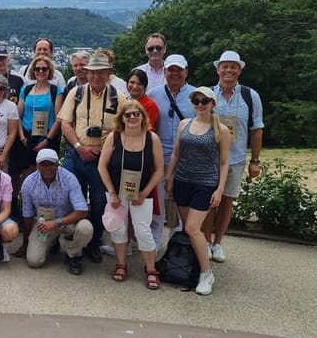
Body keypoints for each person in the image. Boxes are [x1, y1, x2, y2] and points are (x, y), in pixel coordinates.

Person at [58, 52, 126, 263]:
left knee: (98, 202)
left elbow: (123, 129)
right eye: (92, 73)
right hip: (76, 153)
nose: (96, 77)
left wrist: (105, 148)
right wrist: (79, 147)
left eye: (101, 73)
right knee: (71, 200)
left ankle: (94, 242)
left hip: (101, 159)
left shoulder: (119, 97)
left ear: (108, 74)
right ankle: (72, 242)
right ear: (87, 74)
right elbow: (65, 124)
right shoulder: (76, 93)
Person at [165, 87, 231, 296]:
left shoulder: (221, 130)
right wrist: (169, 176)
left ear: (213, 103)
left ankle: (206, 273)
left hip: (205, 183)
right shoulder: (184, 124)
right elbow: (177, 152)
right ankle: (190, 266)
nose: (200, 105)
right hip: (183, 180)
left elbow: (223, 162)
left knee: (194, 228)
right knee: (188, 228)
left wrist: (220, 189)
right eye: (196, 101)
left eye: (205, 101)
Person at [98, 101, 165, 288]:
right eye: (128, 115)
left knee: (143, 229)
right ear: (122, 118)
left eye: (136, 114)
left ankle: (151, 269)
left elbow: (159, 170)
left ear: (143, 117)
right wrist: (111, 192)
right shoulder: (114, 137)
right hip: (116, 192)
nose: (132, 118)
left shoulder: (152, 139)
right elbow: (102, 166)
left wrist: (144, 193)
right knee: (118, 228)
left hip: (142, 193)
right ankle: (121, 264)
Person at [205, 50, 264, 262]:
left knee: (227, 201)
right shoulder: (209, 94)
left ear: (239, 70)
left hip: (237, 158)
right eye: (225, 66)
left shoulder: (250, 95)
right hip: (211, 159)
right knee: (209, 202)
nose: (228, 70)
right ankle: (205, 242)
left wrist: (255, 161)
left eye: (233, 66)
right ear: (218, 69)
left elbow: (257, 128)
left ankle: (218, 243)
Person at [19, 149, 94, 275]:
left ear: (57, 165)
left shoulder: (69, 178)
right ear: (37, 165)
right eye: (43, 164)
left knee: (86, 228)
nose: (47, 168)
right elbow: (27, 215)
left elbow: (82, 211)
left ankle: (72, 254)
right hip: (44, 225)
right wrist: (25, 243)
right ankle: (53, 242)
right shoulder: (28, 183)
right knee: (34, 261)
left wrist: (56, 222)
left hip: (67, 221)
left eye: (51, 164)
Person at [147, 54, 196, 245]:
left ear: (186, 72)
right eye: (171, 70)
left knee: (180, 201)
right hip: (159, 157)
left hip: (185, 159)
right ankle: (156, 239)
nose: (175, 74)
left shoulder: (195, 96)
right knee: (159, 200)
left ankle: (178, 243)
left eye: (179, 70)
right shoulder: (154, 94)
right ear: (165, 72)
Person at [16, 56, 64, 176]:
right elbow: (17, 115)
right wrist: (22, 138)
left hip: (47, 136)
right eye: (37, 69)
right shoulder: (25, 90)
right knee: (27, 173)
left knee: (47, 173)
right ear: (33, 71)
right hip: (27, 136)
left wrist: (47, 140)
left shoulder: (56, 91)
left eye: (44, 69)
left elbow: (59, 118)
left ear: (50, 71)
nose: (41, 72)